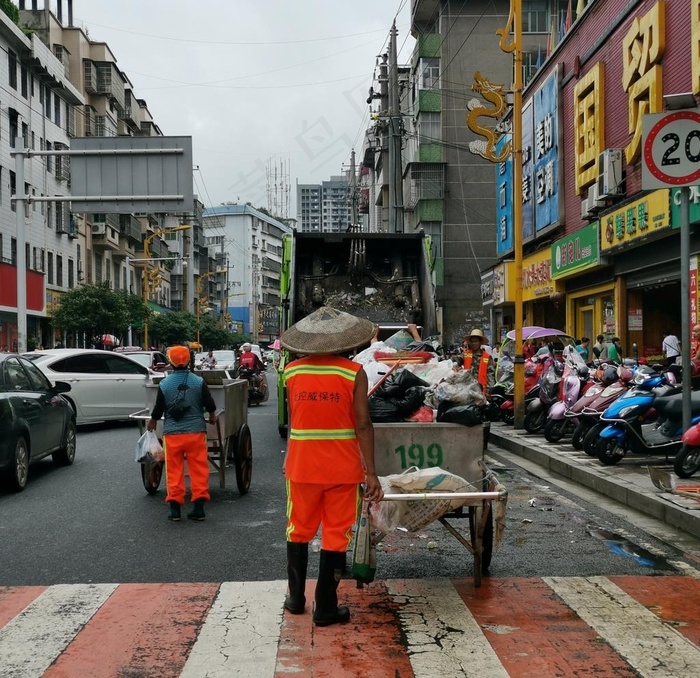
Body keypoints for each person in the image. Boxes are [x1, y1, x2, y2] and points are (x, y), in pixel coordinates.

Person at [281, 306, 382, 627]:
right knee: (336, 535)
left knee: (298, 529)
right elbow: (363, 425)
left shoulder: (292, 372)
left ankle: (296, 599)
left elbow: (296, 419)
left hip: (301, 465)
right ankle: (325, 607)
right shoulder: (353, 373)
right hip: (343, 468)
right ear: (344, 341)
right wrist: (372, 473)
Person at [147, 345, 218, 522]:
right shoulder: (198, 382)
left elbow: (158, 408)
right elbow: (210, 404)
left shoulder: (164, 384)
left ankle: (175, 510)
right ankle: (199, 509)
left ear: (170, 361)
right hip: (196, 433)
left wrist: (153, 421)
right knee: (199, 469)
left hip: (172, 434)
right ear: (189, 361)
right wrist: (211, 416)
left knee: (174, 471)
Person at [462, 328, 495, 451]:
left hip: (482, 391)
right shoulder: (465, 354)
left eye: (476, 341)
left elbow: (490, 374)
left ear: (480, 342)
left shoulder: (487, 357)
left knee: (484, 416)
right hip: (467, 390)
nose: (474, 343)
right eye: (472, 341)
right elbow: (456, 364)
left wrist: (490, 391)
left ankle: (484, 441)